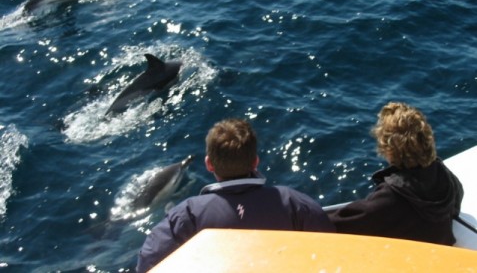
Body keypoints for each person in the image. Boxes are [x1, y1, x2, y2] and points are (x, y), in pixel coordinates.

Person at [137, 118, 335, 272]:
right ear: (255, 161)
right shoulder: (294, 203)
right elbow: (332, 251)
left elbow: (148, 263)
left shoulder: (186, 215)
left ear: (209, 164)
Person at [328, 102, 463, 245]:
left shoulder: (390, 197)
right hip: (441, 247)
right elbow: (456, 204)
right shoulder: (443, 174)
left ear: (390, 149)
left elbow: (339, 225)